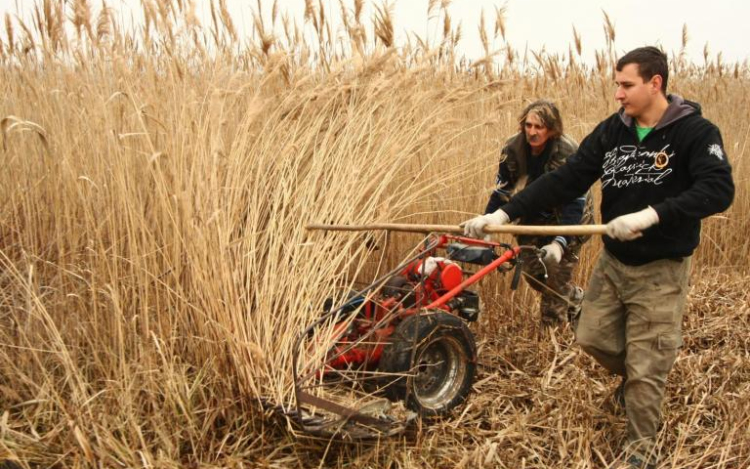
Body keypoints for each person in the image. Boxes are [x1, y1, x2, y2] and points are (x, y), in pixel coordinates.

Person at [464, 47, 734, 468]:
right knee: (591, 337)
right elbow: (567, 179)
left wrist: (652, 215)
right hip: (614, 263)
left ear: (655, 83)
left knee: (646, 369)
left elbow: (718, 190)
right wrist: (502, 213)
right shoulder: (613, 131)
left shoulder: (695, 132)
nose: (618, 94)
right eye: (617, 85)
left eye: (626, 85)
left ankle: (640, 450)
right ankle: (644, 376)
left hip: (661, 268)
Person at [484, 100, 593, 327]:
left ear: (552, 130)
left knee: (555, 277)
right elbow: (502, 190)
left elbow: (575, 202)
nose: (532, 132)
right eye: (528, 125)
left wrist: (560, 243)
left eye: (539, 127)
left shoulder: (568, 151)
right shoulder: (512, 149)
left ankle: (552, 338)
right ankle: (575, 298)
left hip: (570, 214)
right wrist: (487, 223)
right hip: (532, 210)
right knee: (535, 274)